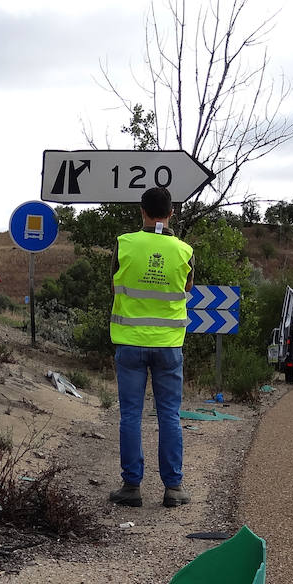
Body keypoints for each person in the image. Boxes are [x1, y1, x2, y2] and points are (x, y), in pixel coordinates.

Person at [108, 186, 195, 508]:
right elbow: (187, 287)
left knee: (131, 415)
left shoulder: (124, 244)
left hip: (129, 342)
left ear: (141, 211)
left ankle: (132, 487)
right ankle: (173, 489)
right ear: (171, 212)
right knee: (169, 415)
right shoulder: (185, 251)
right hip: (169, 346)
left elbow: (114, 282)